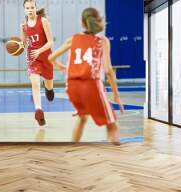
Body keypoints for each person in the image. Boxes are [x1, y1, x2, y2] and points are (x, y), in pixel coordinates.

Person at [48, 7, 124, 143]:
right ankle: (114, 159)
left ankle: (73, 150)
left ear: (83, 23)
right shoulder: (102, 41)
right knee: (112, 126)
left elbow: (51, 58)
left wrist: (59, 66)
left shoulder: (73, 39)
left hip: (71, 87)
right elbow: (108, 70)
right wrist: (116, 95)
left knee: (82, 118)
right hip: (90, 86)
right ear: (98, 21)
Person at [20, 0, 55, 126]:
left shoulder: (43, 21)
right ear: (24, 10)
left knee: (49, 88)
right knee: (34, 83)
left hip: (45, 56)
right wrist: (18, 48)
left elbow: (51, 42)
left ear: (35, 8)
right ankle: (38, 110)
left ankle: (49, 89)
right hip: (33, 58)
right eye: (27, 8)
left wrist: (39, 50)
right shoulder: (23, 26)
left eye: (32, 7)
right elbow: (24, 44)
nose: (30, 10)